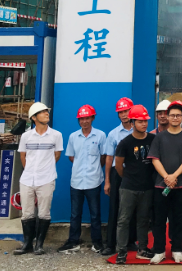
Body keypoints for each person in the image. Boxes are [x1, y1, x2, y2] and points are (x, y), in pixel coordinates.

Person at [148, 101, 182, 264]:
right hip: (161, 185)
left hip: (181, 184)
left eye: (178, 115)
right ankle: (159, 250)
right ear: (167, 117)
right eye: (172, 115)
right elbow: (154, 159)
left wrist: (174, 176)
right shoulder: (159, 137)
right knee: (159, 219)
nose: (175, 118)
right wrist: (166, 177)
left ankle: (176, 249)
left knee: (178, 219)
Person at [14, 102, 63, 256]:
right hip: (27, 179)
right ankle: (27, 244)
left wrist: (45, 168)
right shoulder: (26, 136)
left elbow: (57, 155)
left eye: (47, 111)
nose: (46, 114)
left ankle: (39, 245)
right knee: (27, 213)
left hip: (47, 179)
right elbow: (23, 156)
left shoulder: (56, 135)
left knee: (44, 213)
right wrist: (31, 170)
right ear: (34, 118)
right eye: (42, 112)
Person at [59, 105, 106, 254]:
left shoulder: (100, 135)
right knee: (75, 214)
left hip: (94, 181)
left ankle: (97, 242)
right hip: (77, 181)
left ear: (92, 118)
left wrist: (94, 168)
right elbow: (72, 156)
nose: (84, 121)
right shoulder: (73, 137)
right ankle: (73, 241)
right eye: (81, 119)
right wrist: (81, 166)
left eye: (87, 118)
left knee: (95, 214)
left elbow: (104, 156)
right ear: (78, 120)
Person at [114, 105, 157, 264]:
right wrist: (128, 178)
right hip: (129, 188)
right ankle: (121, 252)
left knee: (144, 219)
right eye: (140, 121)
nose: (144, 124)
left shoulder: (153, 139)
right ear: (132, 123)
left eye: (145, 121)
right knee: (124, 220)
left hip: (147, 187)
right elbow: (119, 166)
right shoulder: (125, 143)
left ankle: (142, 249)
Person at [102, 97, 135, 256]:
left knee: (133, 207)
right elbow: (109, 158)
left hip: (134, 173)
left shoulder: (139, 130)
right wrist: (107, 180)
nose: (123, 115)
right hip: (117, 173)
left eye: (126, 111)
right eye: (120, 112)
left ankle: (131, 241)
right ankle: (110, 244)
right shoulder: (113, 134)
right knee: (115, 207)